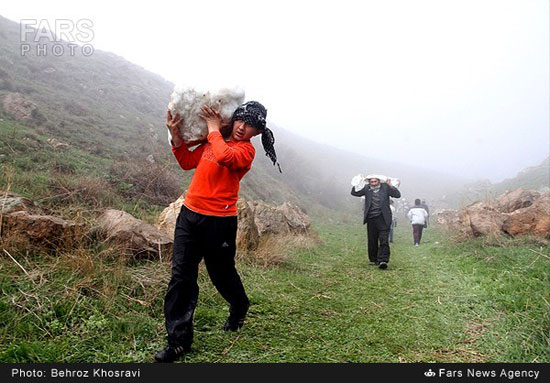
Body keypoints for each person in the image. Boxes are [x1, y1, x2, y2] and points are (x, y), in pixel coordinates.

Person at [155, 101, 280, 362]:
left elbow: (225, 156)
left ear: (257, 133)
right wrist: (176, 136)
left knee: (221, 274)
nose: (243, 128)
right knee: (181, 277)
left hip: (219, 222)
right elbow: (187, 161)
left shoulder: (245, 152)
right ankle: (178, 341)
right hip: (189, 217)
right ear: (233, 120)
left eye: (251, 127)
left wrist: (212, 128)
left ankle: (239, 304)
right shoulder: (214, 140)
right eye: (240, 121)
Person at [351, 177, 401, 269]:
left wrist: (391, 186)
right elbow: (355, 193)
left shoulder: (385, 187)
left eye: (375, 181)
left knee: (384, 239)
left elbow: (397, 195)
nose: (373, 183)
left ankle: (383, 260)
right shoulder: (366, 188)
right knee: (372, 239)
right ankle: (373, 259)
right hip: (371, 218)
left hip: (383, 218)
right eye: (371, 182)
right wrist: (355, 184)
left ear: (379, 181)